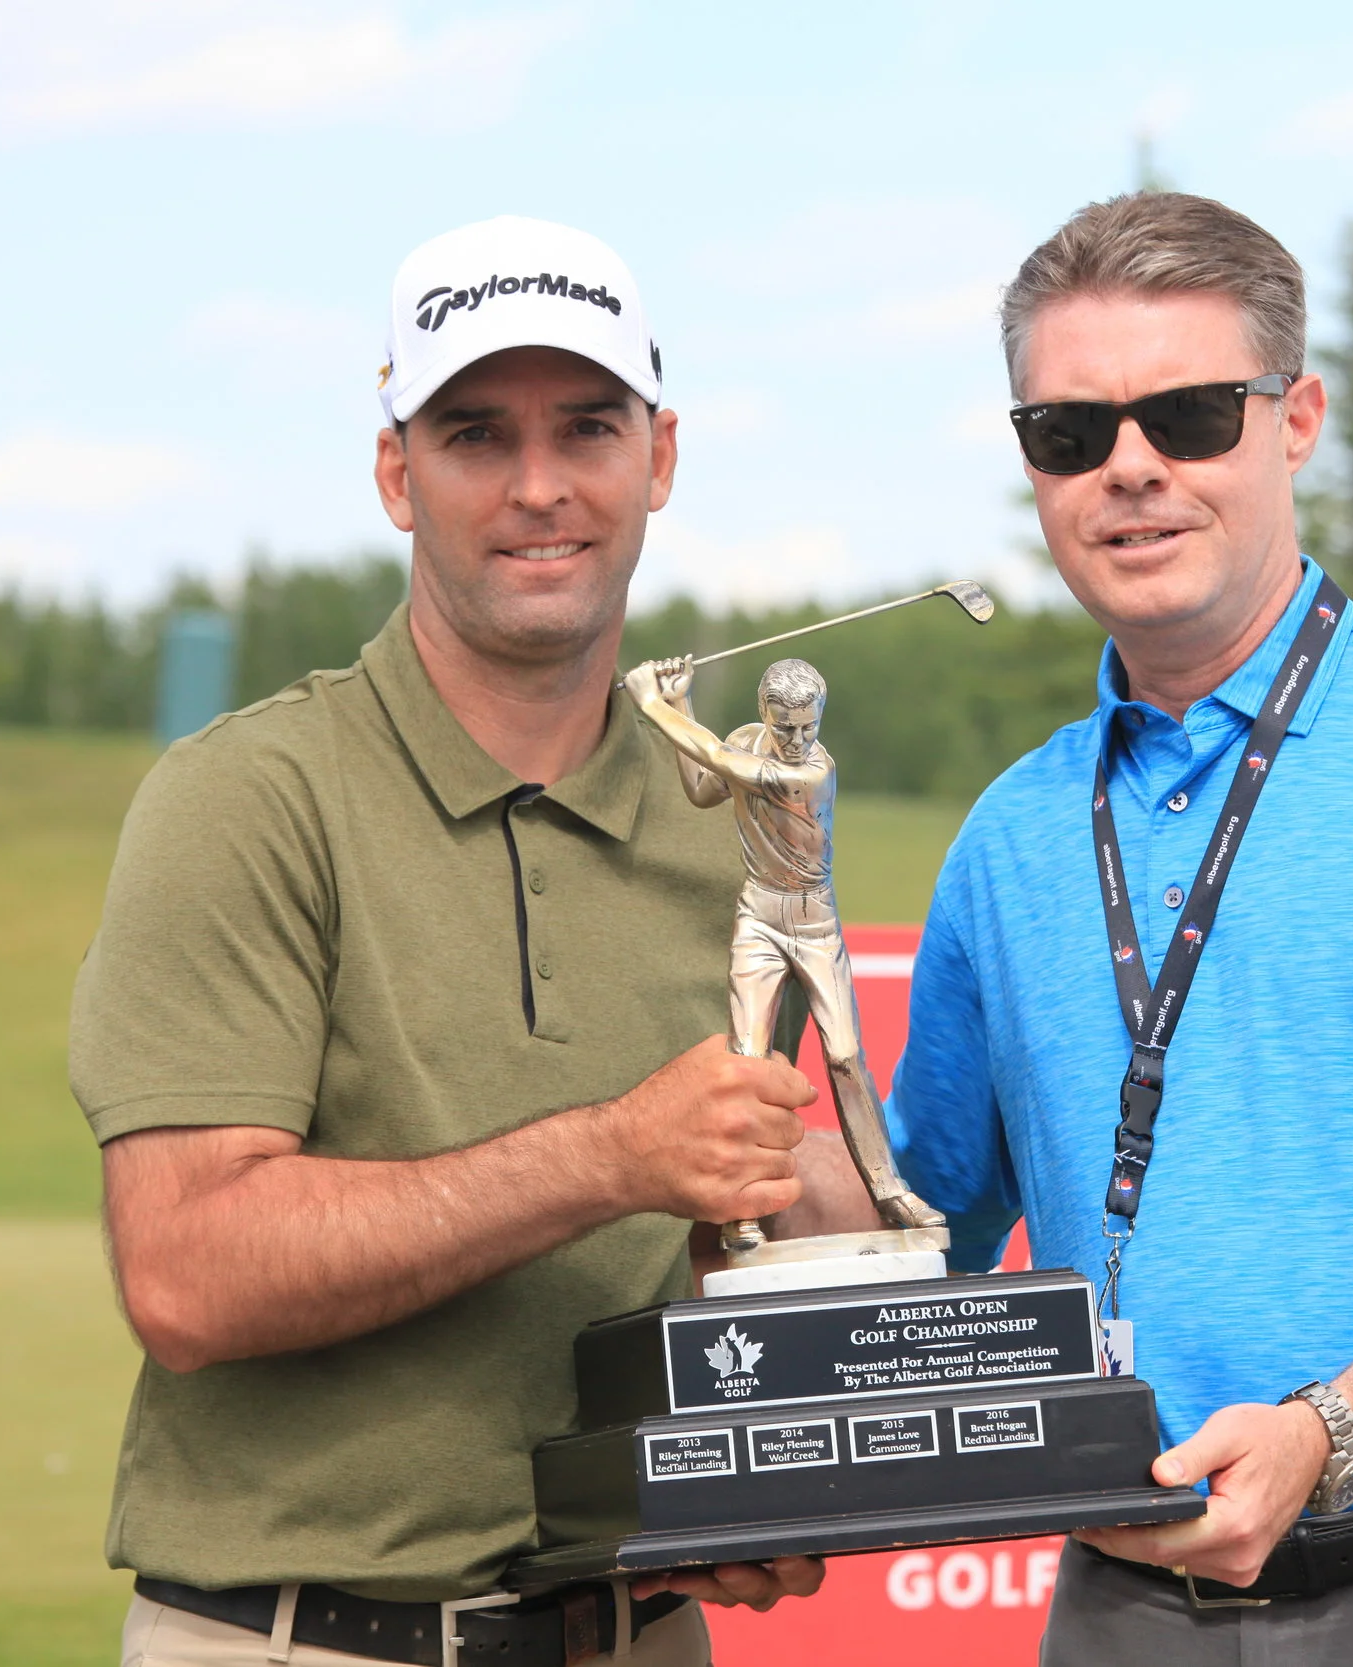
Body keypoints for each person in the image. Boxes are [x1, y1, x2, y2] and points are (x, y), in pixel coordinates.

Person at [884, 192, 1353, 1664]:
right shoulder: (1008, 836)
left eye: (1186, 414)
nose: (1129, 469)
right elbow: (922, 1242)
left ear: (1295, 417)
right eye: (1070, 431)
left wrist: (1332, 1432)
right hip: (1125, 1611)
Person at [73, 215, 846, 1667]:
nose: (539, 485)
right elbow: (186, 1271)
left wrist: (758, 1471)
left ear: (659, 458)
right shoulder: (248, 797)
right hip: (306, 1635)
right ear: (396, 473)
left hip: (639, 1630)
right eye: (477, 433)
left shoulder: (733, 820)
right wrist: (606, 1153)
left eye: (589, 428)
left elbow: (717, 1250)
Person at [624, 653, 946, 1251]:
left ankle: (889, 1190)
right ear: (762, 713)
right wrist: (681, 701)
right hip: (758, 918)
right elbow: (701, 786)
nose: (797, 740)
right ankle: (738, 1209)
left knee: (846, 1058)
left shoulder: (812, 773)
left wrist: (652, 706)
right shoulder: (750, 742)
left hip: (815, 924)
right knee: (746, 1063)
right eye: (784, 726)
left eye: (808, 726)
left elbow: (718, 759)